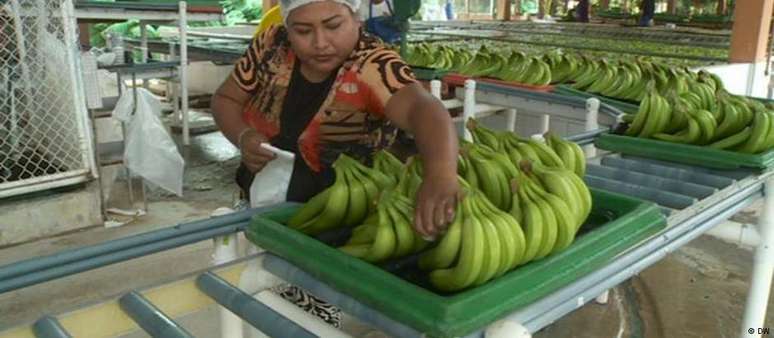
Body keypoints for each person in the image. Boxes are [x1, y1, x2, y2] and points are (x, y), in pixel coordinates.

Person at [212, 0, 460, 240]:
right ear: (287, 26)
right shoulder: (271, 45)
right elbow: (226, 99)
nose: (320, 42)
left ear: (356, 19)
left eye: (333, 26)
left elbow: (423, 108)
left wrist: (441, 174)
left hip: (341, 215)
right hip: (258, 195)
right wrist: (242, 136)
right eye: (302, 30)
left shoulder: (373, 63)